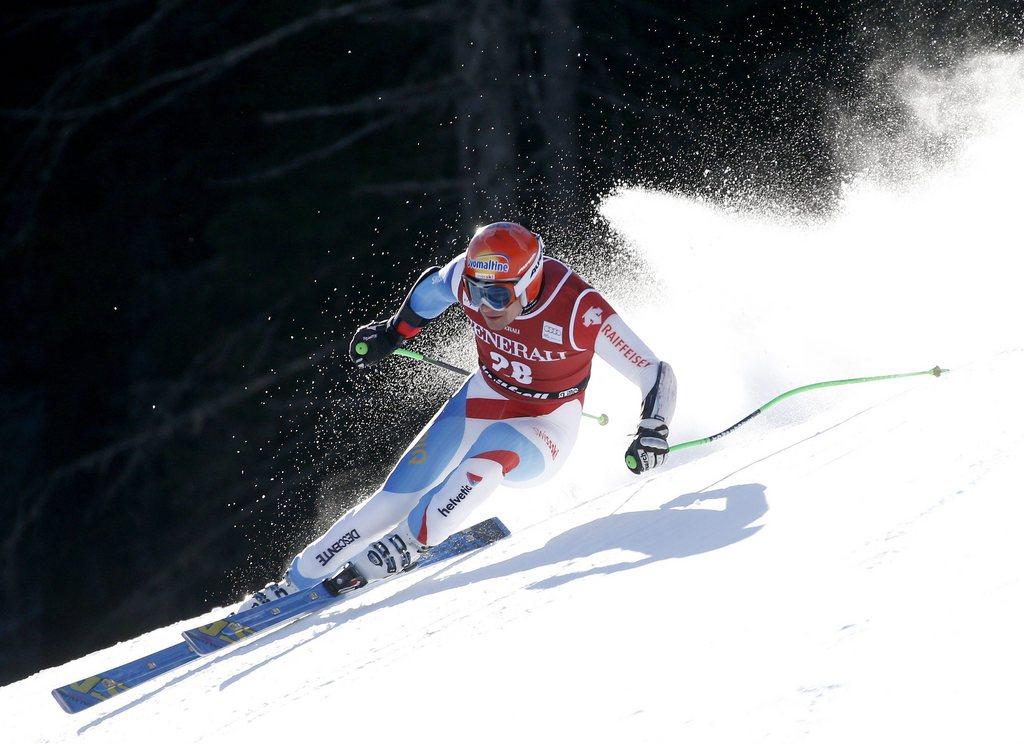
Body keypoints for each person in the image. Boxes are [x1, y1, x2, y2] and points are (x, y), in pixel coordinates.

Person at [241, 222, 676, 608]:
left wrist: (653, 429)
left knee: (490, 452)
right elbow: (432, 290)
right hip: (484, 394)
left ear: (527, 282)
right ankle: (299, 577)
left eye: (498, 295)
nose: (484, 305)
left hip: (546, 422)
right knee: (399, 490)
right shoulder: (473, 277)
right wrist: (393, 334)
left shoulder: (579, 308)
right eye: (476, 290)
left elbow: (654, 371)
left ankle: (411, 542)